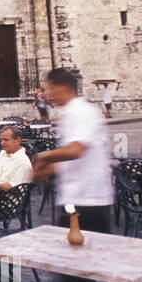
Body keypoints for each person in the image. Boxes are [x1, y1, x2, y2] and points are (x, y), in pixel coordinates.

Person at [31, 68, 113, 235]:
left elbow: (76, 150)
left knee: (85, 252)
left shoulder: (81, 111)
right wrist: (50, 170)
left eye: (51, 89)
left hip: (87, 200)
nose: (48, 95)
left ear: (64, 87)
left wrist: (43, 157)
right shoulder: (71, 112)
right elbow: (75, 158)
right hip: (74, 198)